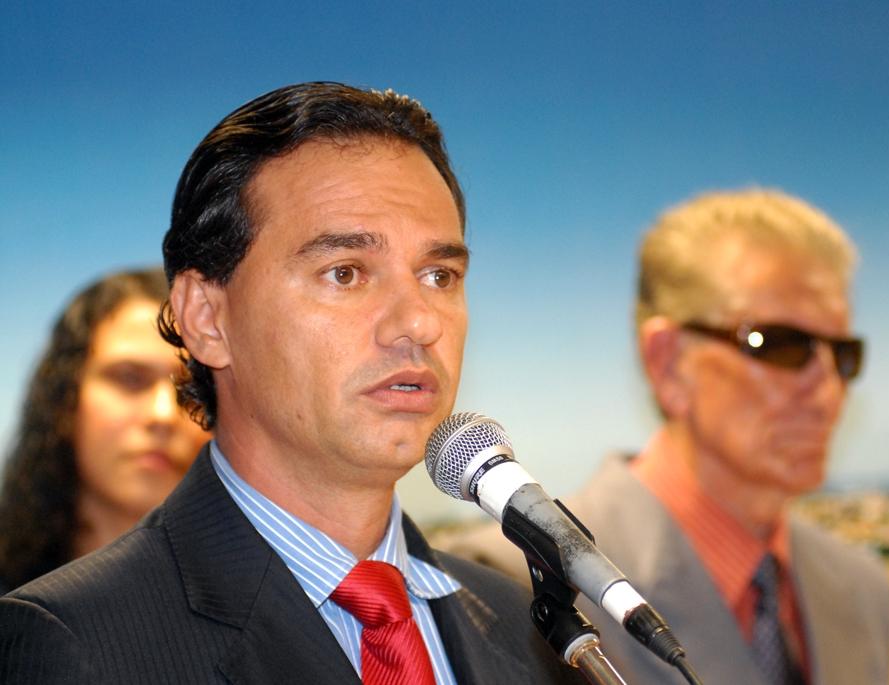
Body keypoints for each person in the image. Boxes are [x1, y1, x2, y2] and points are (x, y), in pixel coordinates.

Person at [0, 82, 585, 684]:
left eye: (439, 276)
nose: (419, 323)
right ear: (207, 318)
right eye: (345, 273)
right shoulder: (76, 643)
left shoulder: (530, 630)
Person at [444, 190, 889, 684]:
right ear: (670, 364)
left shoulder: (863, 588)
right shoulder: (501, 585)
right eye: (782, 345)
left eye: (843, 355)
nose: (828, 392)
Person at [0, 267, 209, 595]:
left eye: (191, 391)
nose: (163, 414)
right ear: (64, 397)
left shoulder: (266, 601)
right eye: (130, 378)